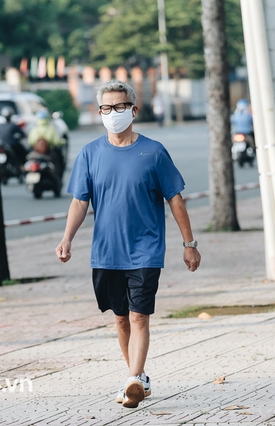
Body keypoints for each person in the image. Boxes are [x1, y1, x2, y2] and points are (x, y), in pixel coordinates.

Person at [55, 80, 201, 409]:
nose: (112, 113)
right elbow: (80, 201)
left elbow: (175, 199)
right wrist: (66, 239)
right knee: (121, 318)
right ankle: (139, 376)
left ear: (133, 110)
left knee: (139, 317)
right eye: (106, 108)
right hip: (106, 252)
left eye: (119, 107)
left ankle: (134, 379)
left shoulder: (154, 151)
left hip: (146, 250)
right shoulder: (90, 154)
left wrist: (189, 243)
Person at [28, 110, 67, 181]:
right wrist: (63, 142)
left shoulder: (34, 129)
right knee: (59, 162)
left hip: (35, 153)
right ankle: (58, 179)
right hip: (49, 153)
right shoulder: (51, 129)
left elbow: (30, 142)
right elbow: (56, 142)